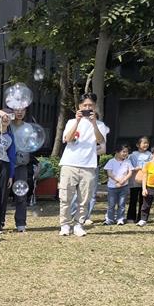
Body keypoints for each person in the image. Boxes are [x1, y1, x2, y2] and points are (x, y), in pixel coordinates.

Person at [58, 93, 108, 237]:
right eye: (84, 105)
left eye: (90, 105)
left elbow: (100, 141)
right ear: (79, 106)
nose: (87, 108)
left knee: (84, 199)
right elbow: (67, 139)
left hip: (89, 165)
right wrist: (77, 121)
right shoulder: (71, 122)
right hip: (69, 164)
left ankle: (78, 225)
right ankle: (65, 225)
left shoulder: (100, 125)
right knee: (65, 197)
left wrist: (94, 124)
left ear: (95, 107)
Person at [9, 108, 39, 232]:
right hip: (6, 163)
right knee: (2, 194)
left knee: (21, 193)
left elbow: (32, 144)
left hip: (21, 164)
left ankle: (20, 223)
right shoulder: (7, 124)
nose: (19, 112)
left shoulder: (29, 127)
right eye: (17, 110)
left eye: (22, 110)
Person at [104, 144, 132, 226]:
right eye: (123, 152)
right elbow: (109, 173)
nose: (125, 153)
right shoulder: (111, 161)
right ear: (117, 152)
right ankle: (109, 219)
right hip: (112, 187)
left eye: (127, 152)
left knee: (122, 204)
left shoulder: (128, 161)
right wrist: (118, 180)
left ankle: (120, 219)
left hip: (124, 186)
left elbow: (130, 172)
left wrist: (123, 181)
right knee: (111, 204)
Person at [127, 136, 152, 222]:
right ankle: (131, 217)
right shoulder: (132, 155)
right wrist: (134, 168)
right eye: (144, 143)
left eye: (147, 143)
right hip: (134, 180)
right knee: (133, 199)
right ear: (138, 145)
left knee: (143, 200)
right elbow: (128, 165)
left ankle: (142, 217)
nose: (146, 145)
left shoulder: (150, 155)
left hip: (145, 180)